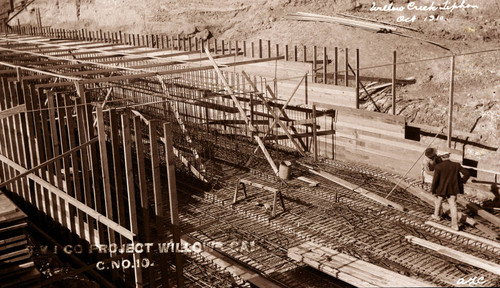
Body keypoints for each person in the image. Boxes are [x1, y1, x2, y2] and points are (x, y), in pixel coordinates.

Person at [431, 153, 470, 231]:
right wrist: (462, 181)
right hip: (453, 189)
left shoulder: (438, 166)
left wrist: (433, 190)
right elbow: (467, 173)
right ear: (448, 157)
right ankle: (455, 225)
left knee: (438, 201)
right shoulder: (456, 165)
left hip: (442, 189)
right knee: (453, 205)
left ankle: (436, 216)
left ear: (442, 157)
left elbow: (435, 180)